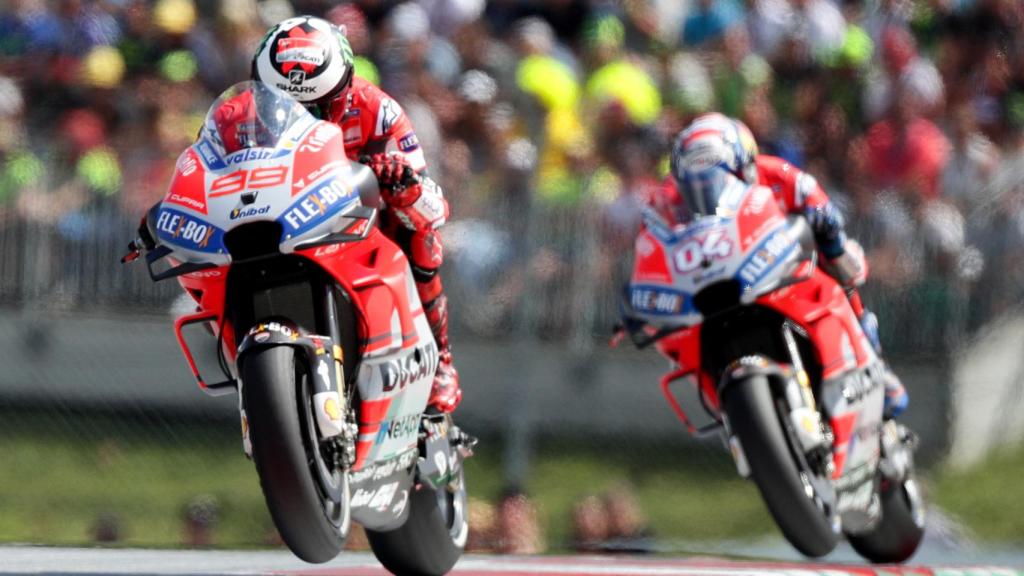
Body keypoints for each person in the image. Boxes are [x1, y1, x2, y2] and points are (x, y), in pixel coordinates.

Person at [247, 15, 460, 413]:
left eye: (314, 105)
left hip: (358, 226)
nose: (299, 115)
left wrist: (404, 183)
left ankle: (442, 360)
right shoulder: (240, 117)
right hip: (275, 223)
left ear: (342, 88)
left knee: (422, 237)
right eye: (283, 102)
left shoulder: (378, 110)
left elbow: (436, 207)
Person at [658, 112, 907, 418]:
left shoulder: (776, 173)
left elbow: (816, 199)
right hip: (724, 283)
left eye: (720, 176)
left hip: (789, 266)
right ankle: (731, 411)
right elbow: (656, 245)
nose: (708, 192)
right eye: (694, 185)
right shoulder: (671, 202)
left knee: (846, 262)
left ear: (744, 164)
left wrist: (823, 221)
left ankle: (877, 363)